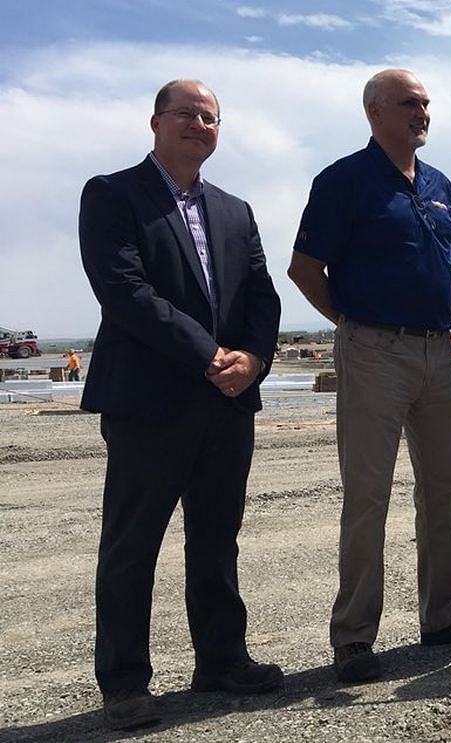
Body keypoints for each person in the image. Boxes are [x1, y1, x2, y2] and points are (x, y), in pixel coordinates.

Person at [78, 79, 283, 730]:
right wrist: (208, 354)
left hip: (227, 402)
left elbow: (262, 297)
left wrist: (251, 359)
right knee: (132, 545)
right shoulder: (112, 194)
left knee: (217, 540)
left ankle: (222, 657)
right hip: (149, 399)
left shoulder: (235, 209)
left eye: (211, 117)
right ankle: (124, 680)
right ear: (155, 122)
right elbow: (124, 289)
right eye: (187, 114)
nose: (200, 124)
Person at [288, 68, 451, 685]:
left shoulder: (439, 185)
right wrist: (353, 323)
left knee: (445, 489)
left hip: (440, 350)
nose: (423, 112)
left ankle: (443, 614)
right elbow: (304, 268)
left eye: (427, 103)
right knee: (368, 495)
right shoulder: (342, 181)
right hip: (374, 350)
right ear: (375, 110)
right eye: (410, 103)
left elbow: (433, 265)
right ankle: (354, 636)